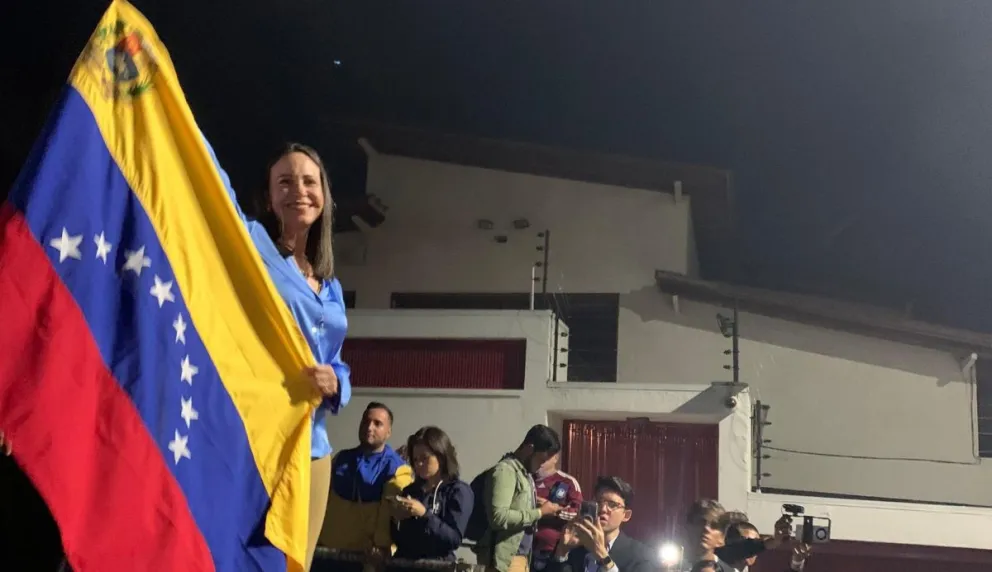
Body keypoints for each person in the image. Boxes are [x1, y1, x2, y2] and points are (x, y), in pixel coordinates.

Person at [204, 139, 352, 569]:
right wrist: (168, 105)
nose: (298, 191)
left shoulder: (330, 284)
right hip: (261, 442)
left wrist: (338, 383)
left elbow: (336, 359)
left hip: (315, 449)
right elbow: (209, 181)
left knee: (297, 564)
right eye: (284, 182)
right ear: (268, 198)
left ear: (324, 195)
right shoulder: (252, 244)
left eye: (309, 182)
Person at [319, 402, 414, 560]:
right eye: (366, 421)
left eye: (378, 423)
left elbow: (390, 517)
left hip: (364, 558)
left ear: (388, 432)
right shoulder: (341, 458)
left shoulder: (397, 468)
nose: (369, 427)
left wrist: (382, 548)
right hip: (326, 553)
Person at [476, 425, 564, 572]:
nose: (541, 466)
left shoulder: (524, 473)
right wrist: (540, 512)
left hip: (520, 559)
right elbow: (498, 517)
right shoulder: (506, 471)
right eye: (541, 460)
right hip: (503, 562)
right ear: (530, 449)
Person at [390, 426, 474, 566]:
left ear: (441, 456)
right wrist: (396, 520)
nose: (419, 464)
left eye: (425, 458)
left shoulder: (458, 491)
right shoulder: (411, 490)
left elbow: (453, 539)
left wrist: (424, 514)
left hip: (437, 565)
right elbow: (400, 540)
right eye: (415, 459)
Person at [548, 476, 655, 572]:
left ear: (626, 515)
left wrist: (603, 556)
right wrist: (561, 552)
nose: (603, 509)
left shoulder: (641, 555)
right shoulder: (576, 547)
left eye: (612, 505)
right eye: (598, 502)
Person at [532, 453, 583, 570]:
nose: (541, 460)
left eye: (546, 456)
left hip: (552, 551)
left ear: (556, 458)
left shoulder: (568, 482)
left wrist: (554, 510)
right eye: (538, 454)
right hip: (524, 549)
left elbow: (579, 514)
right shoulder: (527, 480)